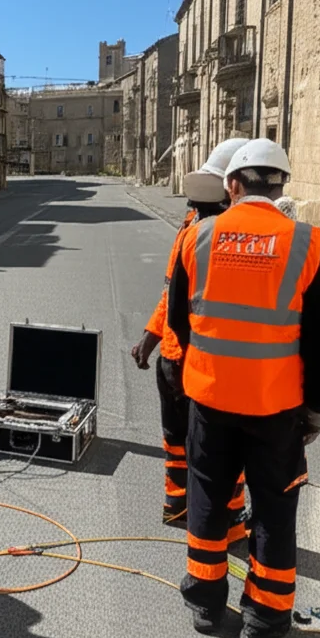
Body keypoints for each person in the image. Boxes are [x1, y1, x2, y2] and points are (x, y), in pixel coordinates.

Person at [166, 138, 320, 638]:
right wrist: (315, 409)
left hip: (212, 401)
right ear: (280, 185)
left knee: (208, 496)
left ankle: (204, 598)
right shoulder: (308, 243)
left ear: (232, 185)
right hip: (276, 408)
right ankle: (263, 619)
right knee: (273, 508)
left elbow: (179, 319)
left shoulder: (197, 237)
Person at [131, 138, 250, 539]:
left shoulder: (189, 226)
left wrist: (151, 338)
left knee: (176, 440)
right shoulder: (228, 238)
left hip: (171, 358)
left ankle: (176, 505)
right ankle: (228, 520)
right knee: (221, 449)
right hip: (201, 365)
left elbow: (171, 295)